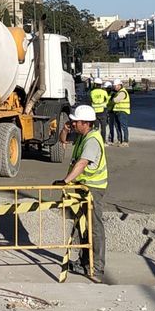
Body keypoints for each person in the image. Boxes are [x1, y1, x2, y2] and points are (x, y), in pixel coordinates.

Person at [56, 104, 108, 281]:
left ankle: (96, 267)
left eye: (75, 121)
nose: (73, 124)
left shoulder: (92, 140)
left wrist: (65, 181)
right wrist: (64, 129)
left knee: (94, 228)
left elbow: (82, 163)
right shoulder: (81, 136)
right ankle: (84, 262)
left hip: (92, 188)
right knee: (81, 226)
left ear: (85, 123)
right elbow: (62, 140)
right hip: (81, 188)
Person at [110, 80, 132, 146]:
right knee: (117, 126)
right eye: (114, 86)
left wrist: (112, 98)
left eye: (115, 86)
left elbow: (116, 100)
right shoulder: (118, 92)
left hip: (122, 112)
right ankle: (120, 140)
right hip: (117, 111)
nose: (114, 87)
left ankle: (125, 141)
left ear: (119, 85)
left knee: (123, 126)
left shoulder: (122, 92)